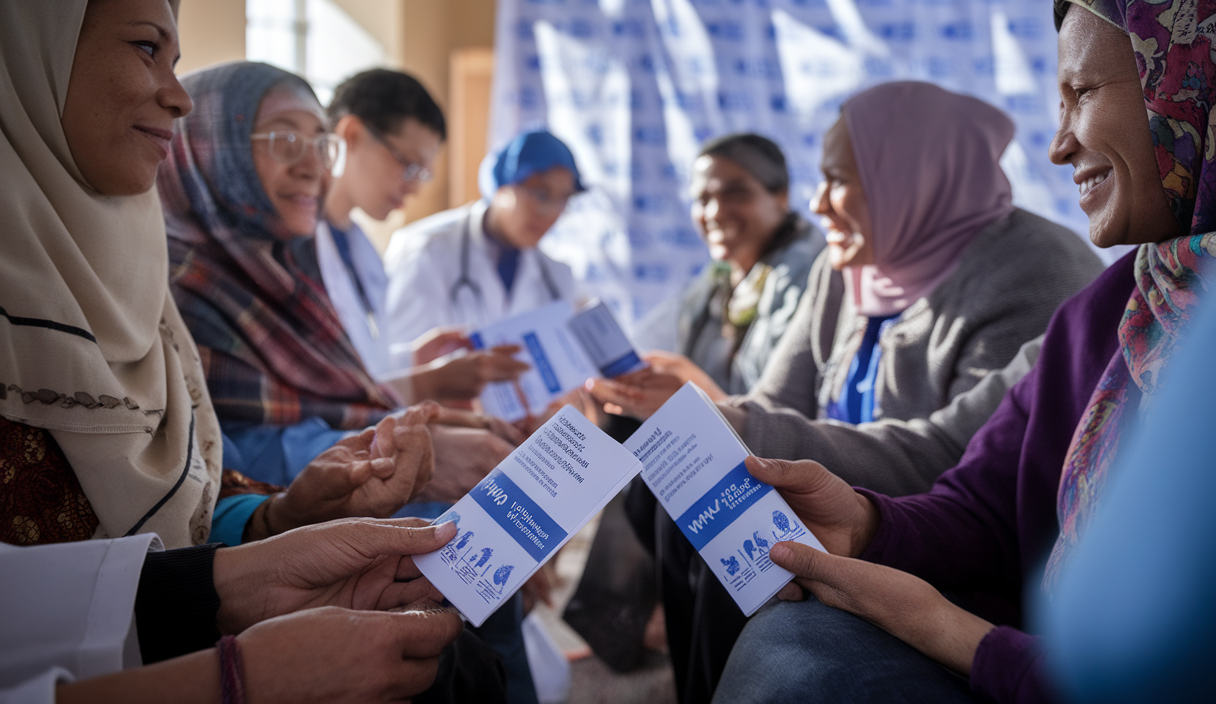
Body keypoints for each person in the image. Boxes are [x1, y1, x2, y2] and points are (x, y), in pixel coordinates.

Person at [712, 2, 1213, 702]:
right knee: (786, 623)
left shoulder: (1032, 267)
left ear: (1190, 80)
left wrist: (948, 630)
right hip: (1027, 655)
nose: (1058, 145)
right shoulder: (1114, 311)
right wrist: (865, 522)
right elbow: (984, 505)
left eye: (1084, 93)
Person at [0, 1, 500, 701]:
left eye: (318, 143)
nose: (175, 95)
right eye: (146, 48)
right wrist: (234, 676)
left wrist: (283, 516)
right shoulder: (185, 276)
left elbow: (191, 494)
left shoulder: (150, 280)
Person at [594, 83, 1104, 704]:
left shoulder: (1037, 270)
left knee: (758, 561)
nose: (817, 204)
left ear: (910, 178)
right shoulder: (852, 265)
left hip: (932, 531)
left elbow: (952, 457)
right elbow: (775, 398)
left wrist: (740, 427)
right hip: (845, 500)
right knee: (689, 498)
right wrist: (718, 421)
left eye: (838, 180)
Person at [162, 61, 517, 495]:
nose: (314, 167)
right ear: (212, 149)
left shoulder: (285, 270)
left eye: (318, 143)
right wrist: (412, 449)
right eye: (286, 139)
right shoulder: (180, 294)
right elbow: (227, 465)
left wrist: (422, 389)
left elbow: (334, 393)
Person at [321, 69, 529, 404]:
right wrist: (426, 384)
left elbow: (362, 365)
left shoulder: (360, 249)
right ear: (353, 134)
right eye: (408, 164)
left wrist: (413, 359)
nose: (415, 187)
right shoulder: (297, 244)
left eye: (422, 174)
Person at [383, 129, 584, 351]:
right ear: (502, 185)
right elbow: (398, 363)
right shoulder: (425, 250)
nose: (548, 213)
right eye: (540, 194)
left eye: (563, 199)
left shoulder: (557, 277)